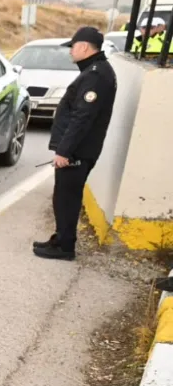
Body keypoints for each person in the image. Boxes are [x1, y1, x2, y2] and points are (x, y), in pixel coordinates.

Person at [34, 26, 117, 261]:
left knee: (67, 198)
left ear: (83, 47)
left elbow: (83, 117)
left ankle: (65, 247)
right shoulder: (94, 71)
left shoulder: (96, 75)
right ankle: (61, 238)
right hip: (77, 150)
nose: (71, 51)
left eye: (73, 47)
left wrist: (64, 151)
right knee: (64, 196)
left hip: (77, 152)